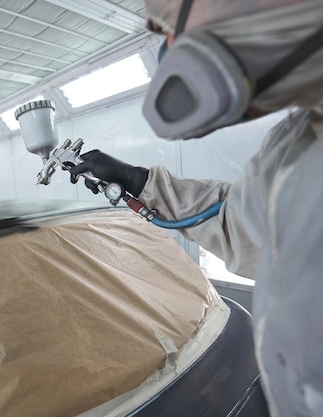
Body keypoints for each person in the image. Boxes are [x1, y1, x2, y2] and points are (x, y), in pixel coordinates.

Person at [69, 1, 323, 416]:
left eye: (168, 15)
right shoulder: (292, 144)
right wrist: (142, 183)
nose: (160, 30)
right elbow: (236, 223)